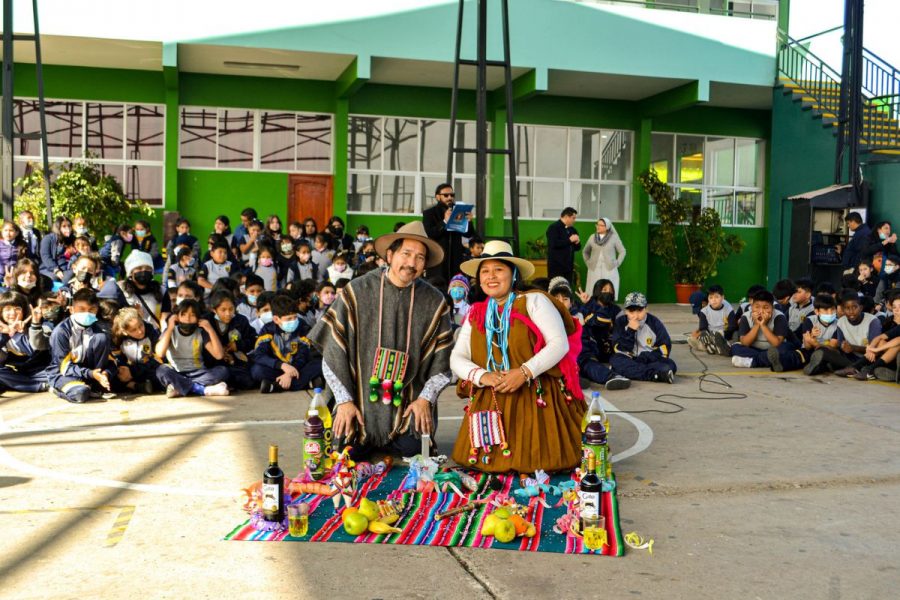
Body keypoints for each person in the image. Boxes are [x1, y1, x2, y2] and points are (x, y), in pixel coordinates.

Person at [308, 221, 453, 461]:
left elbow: (443, 362)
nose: (411, 263)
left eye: (420, 258)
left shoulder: (434, 301)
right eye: (406, 254)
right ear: (390, 254)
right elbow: (331, 352)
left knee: (413, 450)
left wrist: (424, 399)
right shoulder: (357, 291)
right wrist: (344, 402)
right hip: (359, 402)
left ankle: (401, 434)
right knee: (344, 451)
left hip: (407, 404)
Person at [447, 240, 584, 472]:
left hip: (536, 394)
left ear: (513, 274)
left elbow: (559, 344)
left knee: (543, 459)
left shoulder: (534, 301)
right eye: (485, 271)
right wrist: (483, 376)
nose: (491, 276)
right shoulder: (476, 313)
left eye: (499, 270)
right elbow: (457, 357)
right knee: (485, 463)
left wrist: (524, 372)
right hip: (491, 395)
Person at [47, 288, 115, 403]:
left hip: (91, 374)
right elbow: (64, 367)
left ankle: (96, 385)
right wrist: (90, 374)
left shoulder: (99, 331)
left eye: (91, 310)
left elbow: (111, 360)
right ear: (72, 309)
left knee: (101, 339)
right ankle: (56, 389)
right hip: (64, 373)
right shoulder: (61, 332)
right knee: (80, 393)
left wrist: (105, 373)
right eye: (82, 309)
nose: (87, 313)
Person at [155, 299, 230, 397]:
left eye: (192, 315)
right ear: (177, 317)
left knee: (223, 371)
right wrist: (169, 327)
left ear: (198, 318)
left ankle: (178, 387)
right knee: (162, 370)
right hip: (177, 372)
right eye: (184, 314)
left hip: (199, 373)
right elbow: (160, 353)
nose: (188, 319)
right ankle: (202, 390)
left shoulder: (201, 332)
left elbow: (219, 355)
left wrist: (210, 329)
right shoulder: (170, 331)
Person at [250, 294, 318, 393]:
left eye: (295, 317)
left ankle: (276, 386)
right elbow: (259, 355)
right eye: (289, 319)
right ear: (276, 319)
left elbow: (303, 355)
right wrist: (282, 366)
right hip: (277, 368)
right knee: (257, 371)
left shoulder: (302, 327)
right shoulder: (268, 330)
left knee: (318, 364)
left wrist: (289, 373)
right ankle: (306, 383)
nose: (294, 321)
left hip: (298, 367)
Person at [610, 292, 676, 383]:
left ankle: (628, 372)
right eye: (631, 311)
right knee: (616, 360)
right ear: (625, 311)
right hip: (629, 359)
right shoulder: (620, 322)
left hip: (649, 360)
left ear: (646, 309)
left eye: (640, 311)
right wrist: (630, 330)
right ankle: (655, 375)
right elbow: (618, 348)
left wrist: (646, 357)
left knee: (670, 364)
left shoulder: (654, 322)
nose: (636, 316)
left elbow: (665, 347)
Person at [578, 279, 631, 391]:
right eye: (604, 290)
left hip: (610, 350)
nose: (608, 293)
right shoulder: (586, 306)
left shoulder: (616, 310)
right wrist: (590, 304)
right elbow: (601, 320)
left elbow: (621, 329)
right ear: (597, 291)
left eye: (611, 290)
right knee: (587, 364)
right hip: (591, 349)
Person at [768, 293, 839, 374]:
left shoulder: (839, 324)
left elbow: (833, 346)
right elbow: (807, 346)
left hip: (827, 352)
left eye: (833, 309)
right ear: (817, 311)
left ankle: (812, 367)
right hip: (808, 350)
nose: (830, 313)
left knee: (823, 359)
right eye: (826, 310)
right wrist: (811, 337)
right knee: (798, 355)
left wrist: (815, 344)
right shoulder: (810, 321)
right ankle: (779, 363)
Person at [422, 182, 473, 282]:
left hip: (456, 261)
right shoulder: (429, 213)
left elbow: (468, 234)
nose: (450, 197)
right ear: (437, 197)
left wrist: (469, 222)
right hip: (438, 262)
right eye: (446, 195)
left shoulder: (459, 211)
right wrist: (445, 221)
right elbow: (430, 234)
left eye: (452, 195)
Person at [0, 291, 50, 393]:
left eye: (17, 309)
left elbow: (34, 349)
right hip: (19, 373)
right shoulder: (2, 332)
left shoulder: (39, 328)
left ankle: (24, 385)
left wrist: (19, 334)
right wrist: (5, 336)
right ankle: (36, 386)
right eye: (7, 309)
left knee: (61, 375)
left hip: (41, 371)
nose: (12, 313)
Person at [730, 289, 789, 368]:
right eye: (757, 307)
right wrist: (757, 325)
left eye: (766, 307)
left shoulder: (779, 317)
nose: (760, 311)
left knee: (784, 349)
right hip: (753, 348)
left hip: (773, 349)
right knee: (735, 347)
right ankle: (767, 359)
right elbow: (745, 343)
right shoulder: (746, 317)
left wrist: (763, 325)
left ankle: (752, 362)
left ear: (772, 308)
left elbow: (776, 343)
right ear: (751, 307)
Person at [111, 307, 162, 394]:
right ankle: (137, 386)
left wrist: (133, 372)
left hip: (149, 368)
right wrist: (124, 369)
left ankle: (140, 386)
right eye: (133, 330)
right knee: (113, 376)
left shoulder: (151, 332)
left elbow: (159, 359)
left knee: (163, 373)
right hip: (131, 372)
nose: (140, 332)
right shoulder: (119, 338)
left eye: (141, 326)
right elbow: (118, 359)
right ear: (124, 332)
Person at [582, 217, 625, 301]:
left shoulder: (614, 238)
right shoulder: (592, 237)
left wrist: (617, 263)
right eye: (597, 224)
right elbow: (585, 251)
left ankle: (607, 308)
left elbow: (622, 251)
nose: (598, 227)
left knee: (607, 289)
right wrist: (588, 262)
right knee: (594, 290)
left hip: (609, 269)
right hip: (594, 269)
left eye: (601, 225)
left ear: (607, 227)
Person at [688, 284, 734, 356]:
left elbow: (732, 327)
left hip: (724, 333)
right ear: (708, 299)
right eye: (711, 298)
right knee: (696, 336)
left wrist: (723, 334)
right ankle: (712, 346)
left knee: (732, 335)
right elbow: (703, 327)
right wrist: (701, 332)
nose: (714, 300)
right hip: (711, 333)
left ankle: (712, 346)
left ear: (722, 297)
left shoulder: (728, 308)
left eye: (716, 297)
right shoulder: (704, 311)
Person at [546, 207, 580, 284]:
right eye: (573, 218)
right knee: (556, 288)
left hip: (568, 267)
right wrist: (569, 240)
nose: (574, 220)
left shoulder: (573, 230)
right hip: (556, 267)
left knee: (567, 288)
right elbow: (553, 244)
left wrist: (577, 242)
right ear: (566, 217)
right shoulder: (553, 228)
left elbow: (577, 248)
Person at [39, 216, 74, 283]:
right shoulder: (48, 238)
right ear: (58, 228)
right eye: (64, 226)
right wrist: (55, 269)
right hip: (48, 268)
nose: (67, 228)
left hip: (67, 268)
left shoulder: (73, 239)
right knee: (53, 278)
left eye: (69, 226)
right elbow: (45, 256)